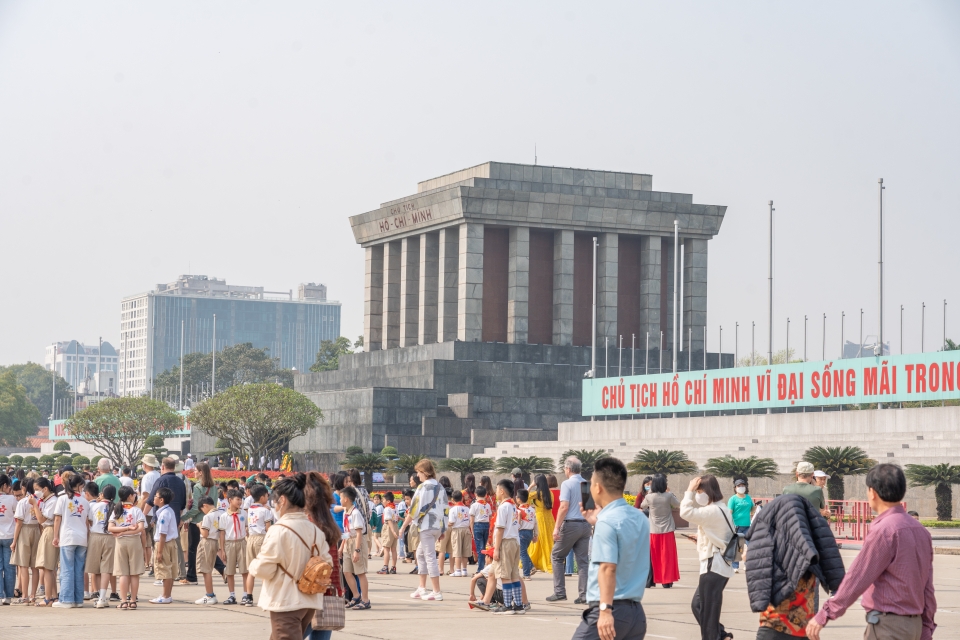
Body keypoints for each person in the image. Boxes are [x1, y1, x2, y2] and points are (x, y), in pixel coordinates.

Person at [806, 464, 936, 640]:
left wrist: (825, 614)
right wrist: (926, 627)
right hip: (915, 626)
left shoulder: (885, 530)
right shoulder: (921, 531)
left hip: (888, 627)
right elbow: (927, 586)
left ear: (873, 492)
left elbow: (858, 576)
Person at [744, 493, 845, 640]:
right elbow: (830, 557)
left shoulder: (771, 551)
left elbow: (758, 572)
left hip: (774, 626)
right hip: (803, 630)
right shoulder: (811, 556)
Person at [572, 456, 649, 640]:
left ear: (598, 487)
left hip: (611, 609)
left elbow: (608, 568)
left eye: (591, 483)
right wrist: (596, 522)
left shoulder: (607, 522)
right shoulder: (640, 518)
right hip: (636, 614)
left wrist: (605, 611)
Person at [249, 472, 333, 640]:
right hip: (309, 600)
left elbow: (265, 569)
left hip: (286, 601)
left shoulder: (279, 530)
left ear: (283, 500)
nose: (275, 506)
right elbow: (327, 562)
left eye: (276, 501)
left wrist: (253, 565)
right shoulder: (314, 530)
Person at [680, 474, 735, 640]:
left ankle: (716, 636)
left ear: (708, 491)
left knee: (708, 611)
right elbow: (719, 534)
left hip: (714, 565)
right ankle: (721, 635)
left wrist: (688, 491)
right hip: (720, 565)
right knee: (699, 605)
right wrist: (701, 538)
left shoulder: (711, 510)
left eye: (699, 490)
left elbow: (685, 512)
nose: (698, 494)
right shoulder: (721, 508)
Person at [400, 458, 446, 602]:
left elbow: (413, 511)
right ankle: (422, 587)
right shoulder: (440, 487)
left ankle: (436, 591)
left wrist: (403, 527)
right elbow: (445, 509)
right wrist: (443, 529)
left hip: (426, 526)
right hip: (437, 526)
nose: (417, 476)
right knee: (420, 554)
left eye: (418, 472)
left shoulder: (422, 488)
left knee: (429, 556)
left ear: (424, 472)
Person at [548, 456, 591, 604]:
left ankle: (559, 591)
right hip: (585, 524)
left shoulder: (567, 484)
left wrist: (556, 527)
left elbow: (564, 507)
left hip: (571, 524)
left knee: (556, 556)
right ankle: (584, 594)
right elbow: (589, 508)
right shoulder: (586, 484)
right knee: (583, 561)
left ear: (568, 469)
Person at [52, 473, 90, 608]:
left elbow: (57, 519)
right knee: (79, 569)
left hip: (67, 537)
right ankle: (78, 600)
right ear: (79, 486)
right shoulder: (85, 501)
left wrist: (55, 536)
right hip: (82, 538)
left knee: (67, 569)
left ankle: (66, 600)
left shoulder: (62, 499)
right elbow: (87, 522)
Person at [487, 478, 523, 614]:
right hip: (515, 541)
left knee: (504, 574)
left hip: (506, 542)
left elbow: (500, 528)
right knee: (514, 574)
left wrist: (496, 549)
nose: (495, 492)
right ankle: (518, 605)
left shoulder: (503, 507)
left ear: (502, 491)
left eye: (497, 490)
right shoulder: (514, 506)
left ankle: (507, 605)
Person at [108, 486, 147, 609]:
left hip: (120, 542)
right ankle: (133, 600)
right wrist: (128, 530)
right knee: (134, 573)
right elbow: (141, 528)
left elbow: (110, 528)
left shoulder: (117, 510)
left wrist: (122, 531)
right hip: (134, 541)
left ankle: (124, 601)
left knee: (123, 573)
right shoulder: (136, 510)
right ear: (130, 496)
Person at [640, 473, 681, 588]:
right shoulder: (668, 496)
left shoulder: (649, 497)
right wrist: (670, 492)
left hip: (653, 530)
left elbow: (642, 506)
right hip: (667, 529)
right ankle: (666, 581)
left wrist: (649, 493)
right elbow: (678, 505)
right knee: (667, 556)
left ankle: (650, 580)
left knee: (653, 556)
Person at [183, 461, 219, 586]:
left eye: (195, 470)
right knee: (207, 547)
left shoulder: (198, 487)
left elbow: (195, 508)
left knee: (193, 549)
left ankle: (191, 576)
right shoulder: (214, 487)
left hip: (197, 520)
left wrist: (184, 518)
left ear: (201, 472)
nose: (194, 472)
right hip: (210, 519)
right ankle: (222, 568)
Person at [84, 482, 117, 608]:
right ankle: (103, 597)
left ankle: (96, 594)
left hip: (95, 537)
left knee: (95, 569)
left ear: (102, 494)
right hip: (110, 538)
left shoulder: (95, 506)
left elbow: (89, 521)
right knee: (106, 569)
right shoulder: (116, 507)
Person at [340, 486, 370, 609]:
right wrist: (342, 547)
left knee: (360, 572)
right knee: (347, 571)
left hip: (357, 542)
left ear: (346, 499)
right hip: (348, 542)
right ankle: (356, 596)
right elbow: (347, 531)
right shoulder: (345, 512)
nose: (340, 500)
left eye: (341, 497)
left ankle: (365, 599)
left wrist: (357, 550)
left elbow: (358, 533)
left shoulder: (355, 513)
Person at [219, 488, 251, 605]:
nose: (240, 502)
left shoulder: (244, 513)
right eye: (237, 499)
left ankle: (245, 594)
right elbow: (222, 533)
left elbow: (247, 527)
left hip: (242, 542)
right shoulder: (224, 516)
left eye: (241, 499)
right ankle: (232, 595)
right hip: (229, 544)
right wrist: (222, 550)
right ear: (230, 500)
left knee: (244, 570)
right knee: (230, 571)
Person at [12, 477, 40, 604]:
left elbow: (18, 523)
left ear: (23, 488)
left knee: (23, 565)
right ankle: (33, 595)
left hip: (24, 530)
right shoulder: (38, 501)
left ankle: (25, 595)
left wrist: (14, 540)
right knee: (35, 566)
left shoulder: (22, 502)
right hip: (37, 530)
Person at [245, 483, 275, 604]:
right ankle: (265, 597)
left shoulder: (250, 509)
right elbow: (268, 528)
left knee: (251, 570)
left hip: (251, 539)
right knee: (263, 569)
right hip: (261, 539)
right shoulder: (265, 511)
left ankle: (248, 597)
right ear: (262, 497)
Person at [149, 487, 178, 604]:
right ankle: (168, 595)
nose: (154, 498)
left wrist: (159, 552)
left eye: (156, 496)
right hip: (171, 543)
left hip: (164, 544)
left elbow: (162, 534)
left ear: (161, 500)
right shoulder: (169, 510)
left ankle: (165, 596)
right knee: (169, 569)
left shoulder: (163, 514)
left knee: (164, 568)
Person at [526, 473, 555, 573]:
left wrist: (530, 486)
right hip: (550, 519)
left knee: (539, 540)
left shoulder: (537, 493)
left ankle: (538, 561)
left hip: (539, 518)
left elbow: (524, 497)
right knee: (548, 541)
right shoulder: (550, 493)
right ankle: (549, 560)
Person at [727, 478, 753, 574]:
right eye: (739, 486)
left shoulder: (748, 498)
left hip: (747, 526)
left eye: (742, 485)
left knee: (750, 545)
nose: (741, 487)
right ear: (735, 488)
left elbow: (752, 509)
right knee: (737, 547)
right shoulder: (733, 499)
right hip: (736, 526)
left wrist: (754, 509)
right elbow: (729, 512)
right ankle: (735, 566)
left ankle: (747, 564)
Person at [447, 490, 471, 577]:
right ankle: (464, 569)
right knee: (465, 550)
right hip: (466, 529)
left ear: (453, 499)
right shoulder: (467, 509)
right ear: (462, 498)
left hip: (457, 530)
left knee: (457, 550)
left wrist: (446, 524)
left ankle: (458, 570)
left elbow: (451, 522)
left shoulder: (453, 509)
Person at [0, 474, 16, 605]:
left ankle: (0, 596)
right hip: (10, 536)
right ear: (4, 485)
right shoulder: (12, 499)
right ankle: (9, 596)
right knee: (9, 567)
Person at [469, 486, 493, 572]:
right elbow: (490, 516)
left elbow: (471, 520)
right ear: (486, 495)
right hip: (486, 525)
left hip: (477, 526)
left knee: (480, 549)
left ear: (475, 494)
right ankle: (483, 568)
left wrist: (472, 531)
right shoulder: (487, 505)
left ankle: (480, 569)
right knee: (483, 547)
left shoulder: (474, 505)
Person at [517, 488, 537, 579]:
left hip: (522, 532)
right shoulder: (532, 509)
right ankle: (531, 566)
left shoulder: (519, 510)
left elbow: (518, 524)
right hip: (530, 532)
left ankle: (526, 574)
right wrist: (535, 534)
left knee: (523, 553)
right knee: (524, 552)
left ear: (519, 499)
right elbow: (535, 523)